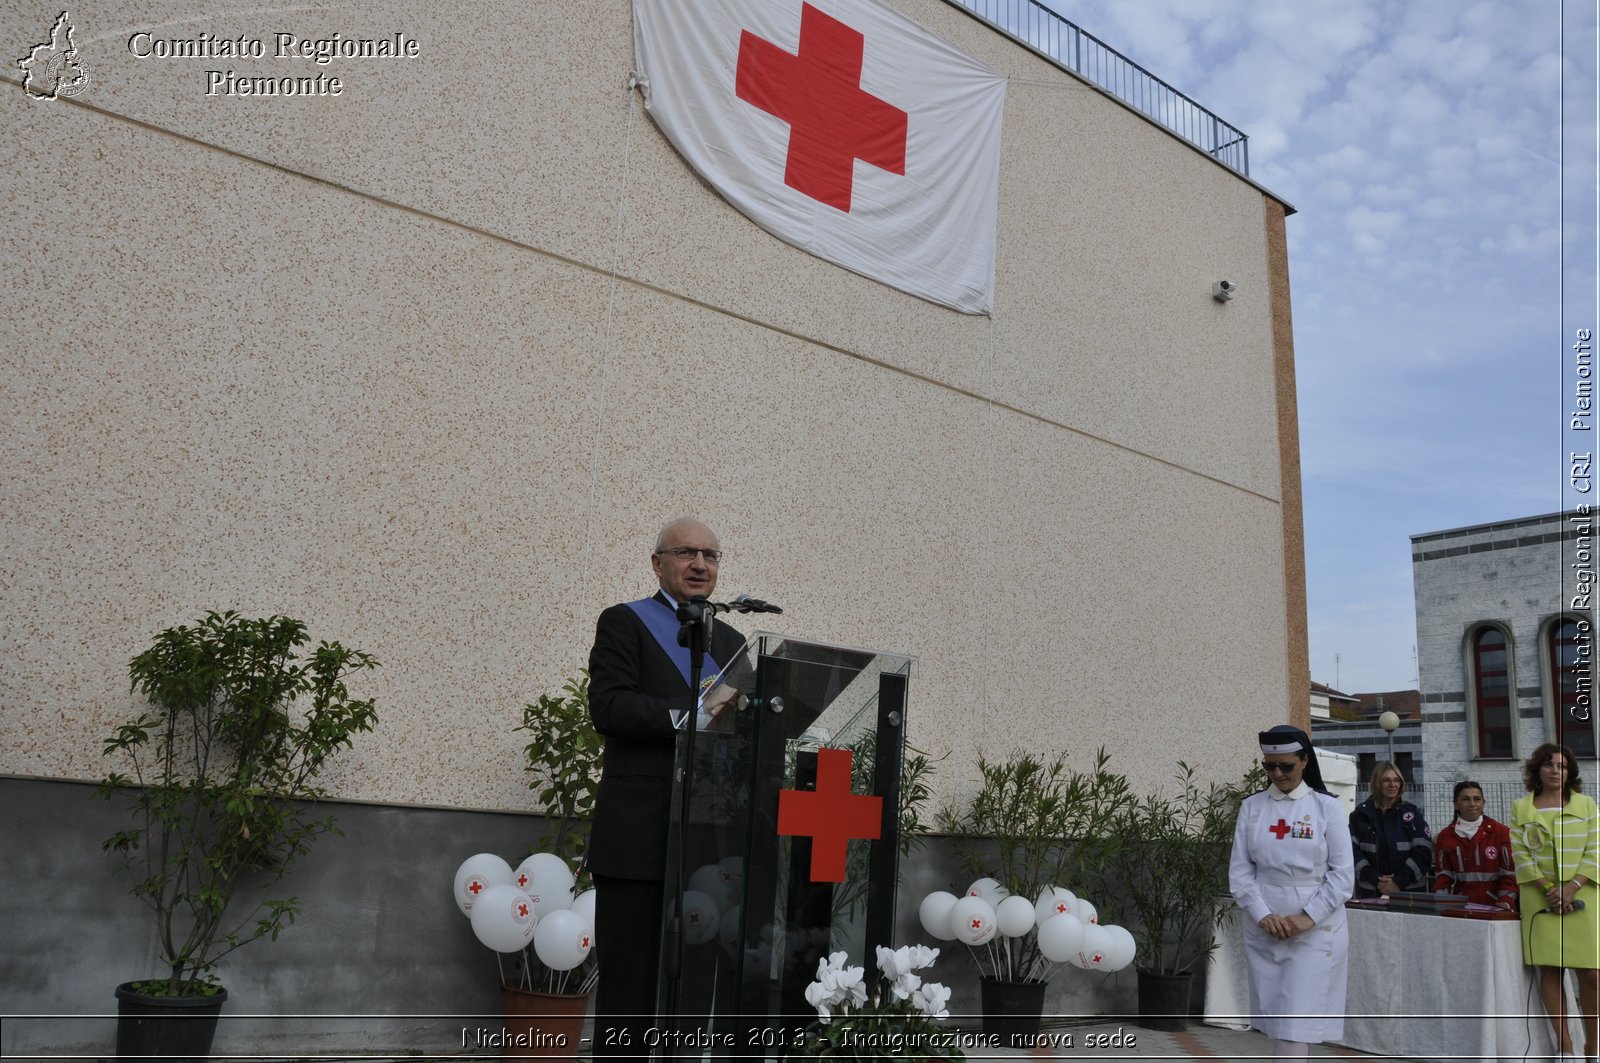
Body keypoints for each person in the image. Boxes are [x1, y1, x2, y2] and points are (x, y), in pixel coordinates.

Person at [586, 518, 745, 1059]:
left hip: (707, 838)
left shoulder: (732, 641)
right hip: (638, 839)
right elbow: (609, 707)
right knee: (629, 990)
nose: (701, 564)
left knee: (695, 989)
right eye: (686, 552)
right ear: (658, 563)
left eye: (711, 555)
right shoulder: (625, 623)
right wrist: (693, 715)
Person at [1229, 724, 1355, 1058]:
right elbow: (1241, 873)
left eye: (1286, 766)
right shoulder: (1252, 807)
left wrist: (1307, 918)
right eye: (1270, 767)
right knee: (1278, 1019)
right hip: (1266, 925)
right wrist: (1262, 914)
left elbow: (1343, 877)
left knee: (1295, 1020)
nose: (1278, 774)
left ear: (1305, 762)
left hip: (1316, 929)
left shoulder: (1327, 808)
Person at [1510, 743, 1600, 1063]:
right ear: (1537, 771)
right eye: (1548, 765)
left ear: (1569, 772)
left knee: (1591, 974)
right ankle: (1566, 1047)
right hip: (1540, 898)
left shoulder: (1587, 805)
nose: (1554, 771)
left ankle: (1593, 1046)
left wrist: (1572, 886)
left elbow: (1595, 850)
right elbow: (1521, 855)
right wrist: (1550, 888)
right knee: (1551, 971)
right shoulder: (1521, 808)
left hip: (1583, 896)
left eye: (1561, 766)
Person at [1349, 761, 1432, 898]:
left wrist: (1399, 882)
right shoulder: (1359, 816)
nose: (1392, 785)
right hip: (1370, 893)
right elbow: (1351, 853)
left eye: (1396, 780)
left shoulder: (1412, 814)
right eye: (1386, 780)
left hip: (1409, 894)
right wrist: (1376, 880)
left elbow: (1424, 852)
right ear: (1377, 783)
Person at [1432, 779, 1517, 910]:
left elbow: (1509, 875)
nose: (1472, 804)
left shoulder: (1501, 833)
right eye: (1465, 799)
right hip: (1461, 907)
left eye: (1477, 799)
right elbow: (1444, 877)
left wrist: (1506, 900)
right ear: (1455, 804)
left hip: (1496, 907)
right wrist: (1441, 901)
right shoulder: (1445, 836)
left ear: (1483, 803)